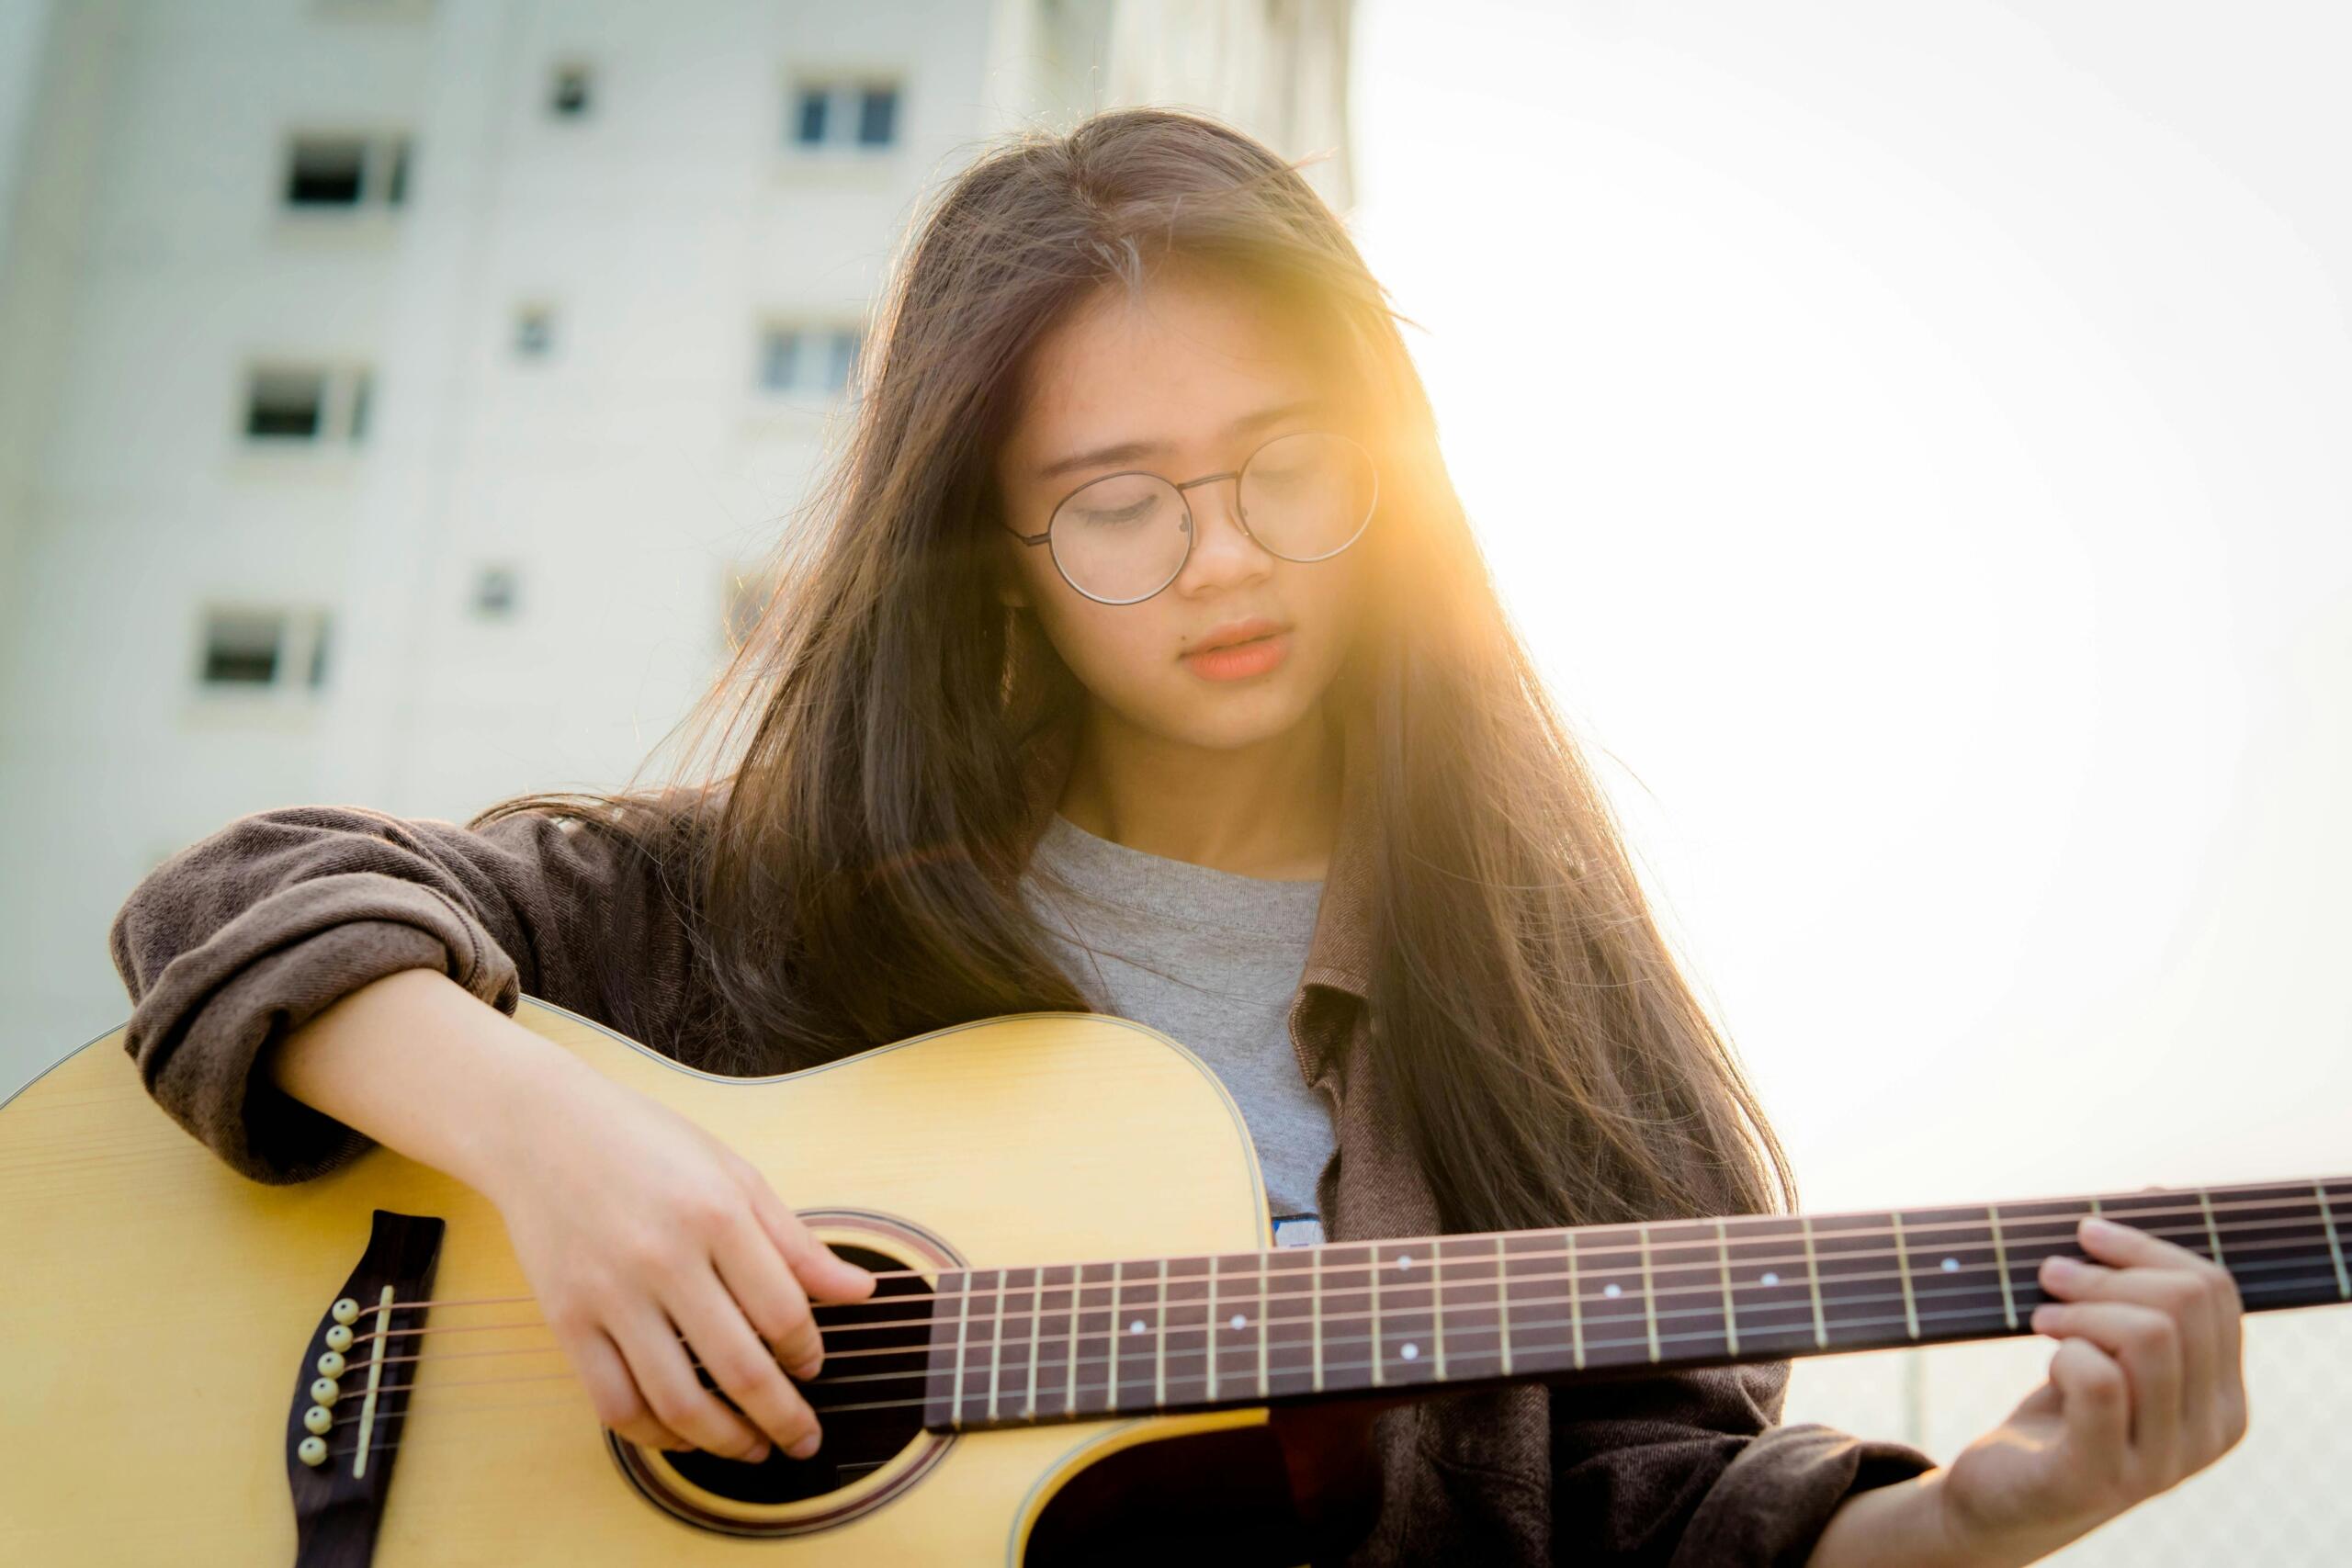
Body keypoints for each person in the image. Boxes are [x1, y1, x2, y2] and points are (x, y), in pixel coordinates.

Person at [108, 107, 2245, 1565]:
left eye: (1281, 465)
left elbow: (1644, 1516)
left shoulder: (1547, 1022)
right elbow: (233, 905)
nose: (1220, 556)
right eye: (1117, 502)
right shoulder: (749, 910)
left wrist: (1971, 1512)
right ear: (1002, 555)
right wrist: (566, 1157)